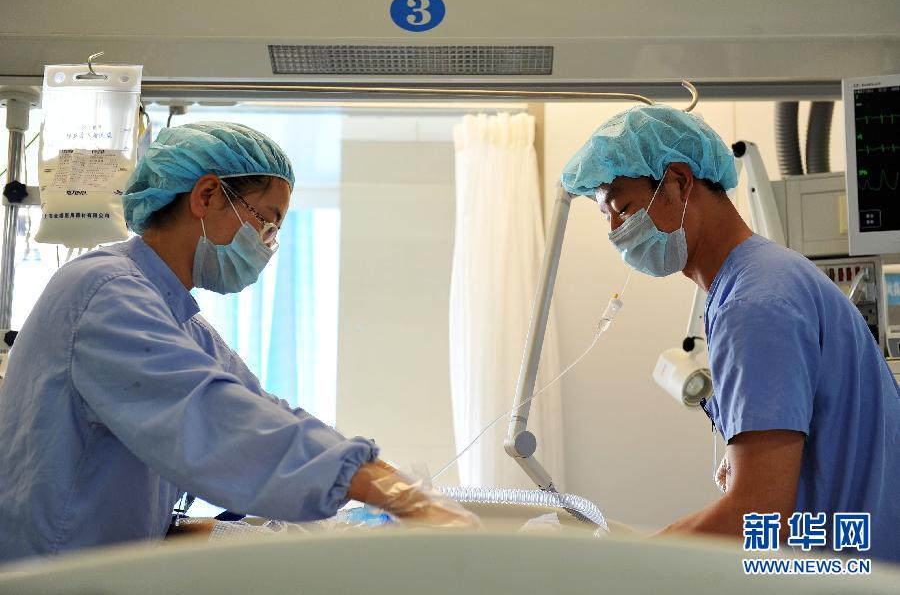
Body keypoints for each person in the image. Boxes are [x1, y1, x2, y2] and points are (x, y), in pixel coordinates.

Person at [0, 122, 476, 565]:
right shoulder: (104, 291)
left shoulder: (179, 319)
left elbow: (263, 409)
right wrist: (397, 496)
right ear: (207, 195)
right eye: (267, 222)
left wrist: (385, 478)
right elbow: (218, 419)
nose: (267, 244)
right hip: (47, 574)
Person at [561, 105, 899, 563]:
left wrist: (631, 567)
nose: (618, 233)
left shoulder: (755, 304)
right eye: (608, 219)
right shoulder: (761, 279)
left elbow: (757, 513)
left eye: (623, 208)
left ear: (680, 182)